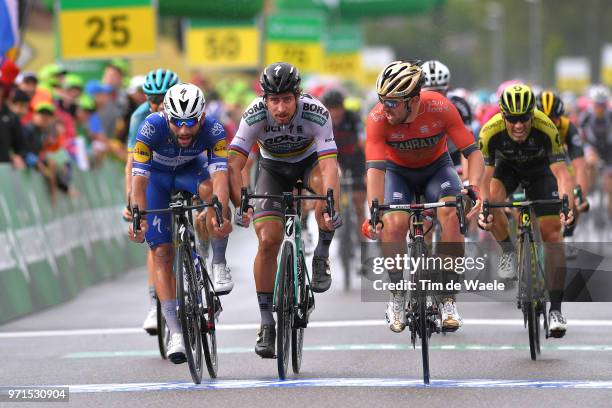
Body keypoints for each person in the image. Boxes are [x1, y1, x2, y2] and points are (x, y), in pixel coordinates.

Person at [362, 60, 485, 333]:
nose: (386, 108)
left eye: (393, 102)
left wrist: (474, 186)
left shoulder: (440, 107)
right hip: (397, 173)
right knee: (393, 225)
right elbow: (375, 169)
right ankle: (396, 295)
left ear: (413, 100)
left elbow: (473, 153)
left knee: (451, 214)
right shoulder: (377, 118)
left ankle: (448, 299)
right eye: (383, 100)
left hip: (437, 170)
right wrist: (375, 212)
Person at [228, 62, 341, 358]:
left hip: (309, 164)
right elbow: (235, 163)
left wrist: (329, 201)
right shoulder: (253, 114)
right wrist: (239, 200)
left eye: (287, 100)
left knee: (325, 191)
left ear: (297, 96)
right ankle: (266, 322)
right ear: (265, 99)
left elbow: (328, 165)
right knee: (267, 241)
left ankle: (321, 254)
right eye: (274, 100)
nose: (280, 108)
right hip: (273, 169)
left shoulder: (317, 112)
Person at [128, 83, 232, 363]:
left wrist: (219, 213)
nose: (184, 131)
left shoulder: (214, 129)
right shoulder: (150, 127)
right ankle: (175, 331)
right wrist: (138, 216)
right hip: (158, 180)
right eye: (177, 123)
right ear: (166, 115)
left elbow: (221, 177)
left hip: (190, 172)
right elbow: (138, 179)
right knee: (161, 253)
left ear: (201, 117)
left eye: (190, 123)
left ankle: (218, 262)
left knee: (213, 195)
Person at [478, 83, 575, 338]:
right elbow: (484, 178)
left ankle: (556, 309)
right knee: (494, 199)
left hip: (541, 172)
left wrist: (566, 204)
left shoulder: (546, 127)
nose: (519, 125)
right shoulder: (490, 131)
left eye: (524, 119)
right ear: (503, 116)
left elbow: (562, 174)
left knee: (553, 236)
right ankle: (508, 251)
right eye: (512, 119)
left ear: (532, 115)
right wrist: (484, 208)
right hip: (507, 170)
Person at [536, 90, 590, 232]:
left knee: (573, 188)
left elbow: (580, 166)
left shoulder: (567, 127)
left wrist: (580, 196)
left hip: (559, 163)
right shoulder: (525, 127)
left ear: (560, 117)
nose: (549, 124)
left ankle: (568, 233)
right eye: (543, 120)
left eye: (553, 120)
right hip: (534, 165)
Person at [321, 88, 367, 247]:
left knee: (359, 204)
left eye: (337, 108)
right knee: (332, 191)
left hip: (355, 161)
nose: (334, 113)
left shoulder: (353, 119)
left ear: (343, 107)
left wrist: (369, 169)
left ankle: (363, 243)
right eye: (330, 108)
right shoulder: (321, 120)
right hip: (334, 160)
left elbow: (364, 143)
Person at [580, 85, 612, 219]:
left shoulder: (610, 116)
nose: (599, 108)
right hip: (592, 147)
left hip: (609, 150)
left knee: (610, 186)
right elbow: (580, 136)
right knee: (590, 163)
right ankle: (588, 194)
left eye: (602, 105)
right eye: (597, 105)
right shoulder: (586, 116)